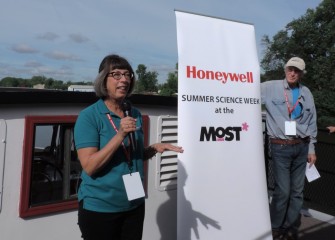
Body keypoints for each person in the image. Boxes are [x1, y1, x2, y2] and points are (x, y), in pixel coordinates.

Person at [74, 54, 184, 240]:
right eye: (116, 74)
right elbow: (90, 166)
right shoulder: (89, 116)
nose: (124, 79)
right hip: (101, 208)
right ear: (103, 79)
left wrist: (154, 148)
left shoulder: (134, 113)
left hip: (134, 204)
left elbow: (131, 155)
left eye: (127, 75)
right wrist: (120, 135)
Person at [261, 57, 317, 240]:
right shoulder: (270, 87)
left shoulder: (306, 92)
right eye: (290, 69)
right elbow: (244, 94)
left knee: (297, 192)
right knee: (282, 191)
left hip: (301, 147)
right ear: (285, 70)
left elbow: (312, 122)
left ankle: (290, 227)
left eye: (297, 71)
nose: (293, 73)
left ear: (301, 73)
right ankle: (276, 226)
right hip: (280, 147)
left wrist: (311, 149)